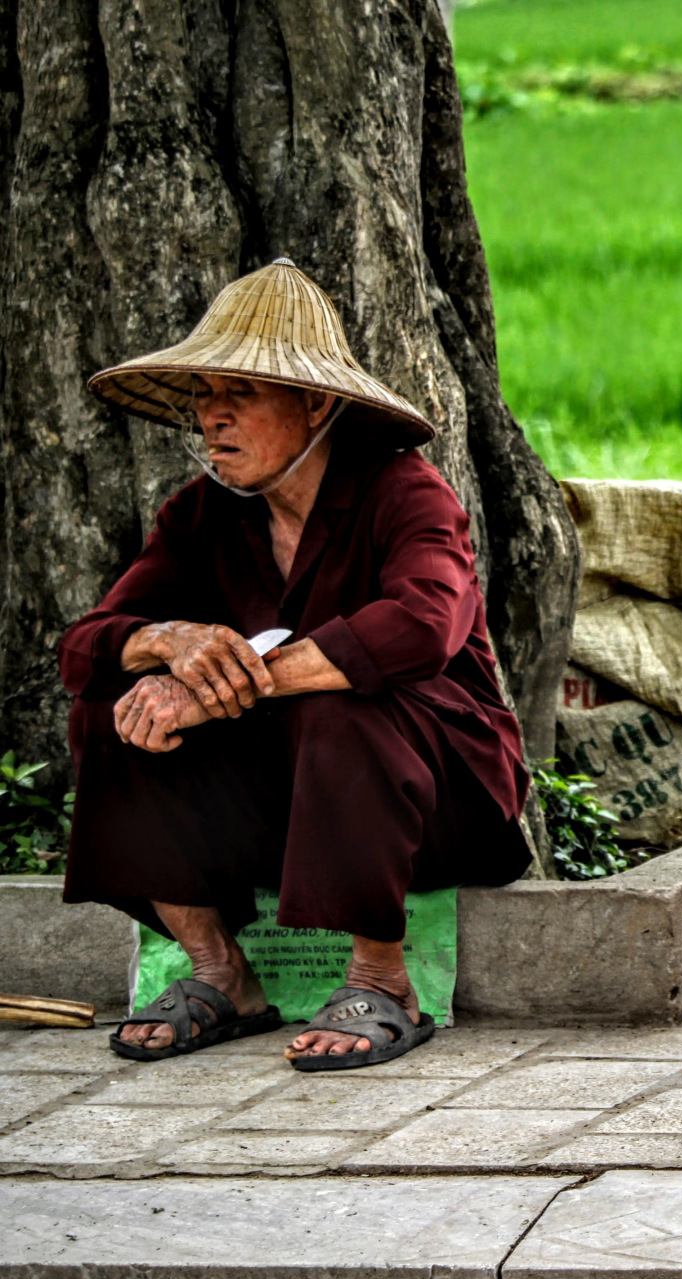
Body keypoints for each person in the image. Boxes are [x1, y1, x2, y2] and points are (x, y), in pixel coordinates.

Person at [62, 258, 532, 1069]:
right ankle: (220, 972)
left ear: (315, 403)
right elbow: (86, 644)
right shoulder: (202, 514)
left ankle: (383, 980)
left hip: (438, 798)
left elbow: (423, 624)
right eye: (204, 393)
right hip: (289, 809)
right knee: (117, 711)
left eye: (239, 393)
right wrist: (167, 641)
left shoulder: (404, 491)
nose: (212, 416)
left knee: (339, 705)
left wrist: (223, 692)